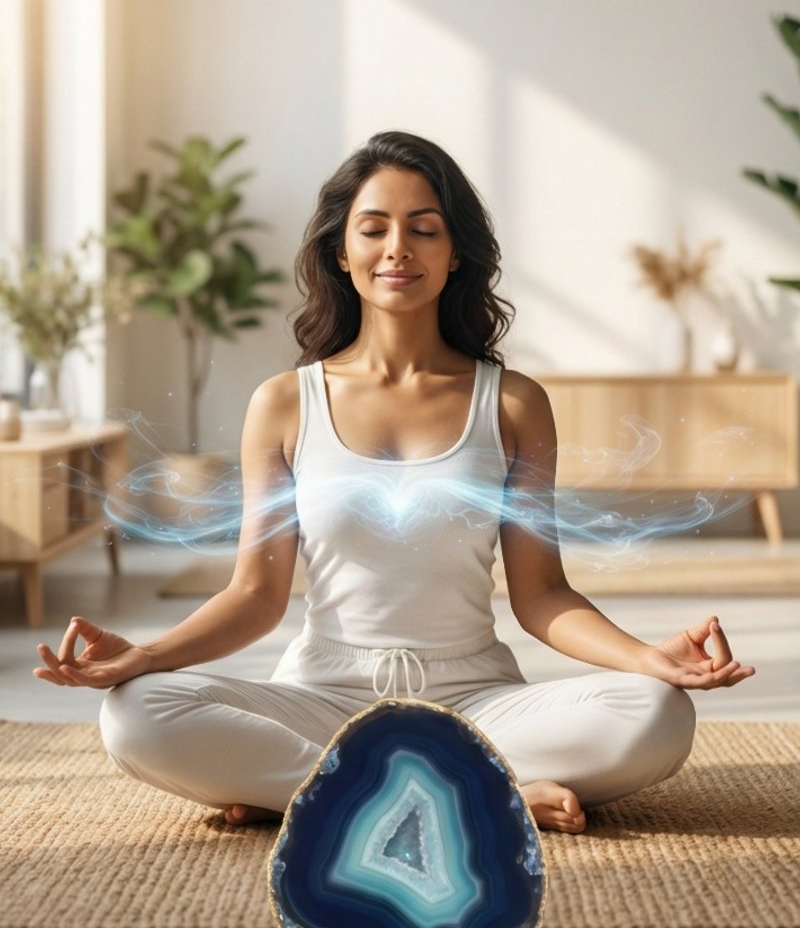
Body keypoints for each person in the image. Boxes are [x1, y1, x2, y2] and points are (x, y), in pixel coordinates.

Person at [33, 130, 755, 835]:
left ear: (456, 253)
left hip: (475, 700)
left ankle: (315, 793)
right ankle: (475, 795)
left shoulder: (511, 403)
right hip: (322, 696)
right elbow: (255, 596)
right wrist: (145, 656)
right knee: (135, 713)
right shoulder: (285, 403)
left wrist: (647, 659)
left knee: (656, 714)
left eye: (424, 229)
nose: (397, 249)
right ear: (341, 253)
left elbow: (542, 596)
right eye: (373, 229)